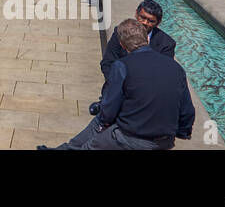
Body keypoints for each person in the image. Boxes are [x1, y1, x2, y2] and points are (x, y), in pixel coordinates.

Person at [45, 18, 194, 150]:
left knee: (91, 143)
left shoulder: (122, 66)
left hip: (131, 138)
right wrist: (182, 132)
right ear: (147, 40)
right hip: (165, 140)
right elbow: (187, 111)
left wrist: (104, 122)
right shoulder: (176, 68)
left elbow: (109, 110)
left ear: (122, 45)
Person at [100, 0, 175, 87]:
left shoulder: (166, 44)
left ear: (158, 22)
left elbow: (164, 73)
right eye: (142, 17)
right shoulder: (120, 32)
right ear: (136, 14)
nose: (145, 23)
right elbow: (107, 63)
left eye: (151, 21)